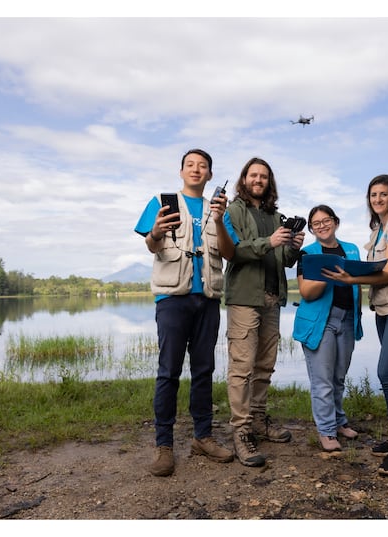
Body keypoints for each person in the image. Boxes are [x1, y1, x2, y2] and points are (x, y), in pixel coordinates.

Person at [134, 148, 236, 477]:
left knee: (204, 370)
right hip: (172, 300)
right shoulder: (161, 203)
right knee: (168, 373)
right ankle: (163, 445)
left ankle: (202, 437)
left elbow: (230, 251)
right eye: (190, 165)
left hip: (206, 299)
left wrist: (220, 220)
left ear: (209, 174)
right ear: (181, 172)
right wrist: (157, 233)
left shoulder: (219, 209)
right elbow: (151, 245)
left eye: (202, 166)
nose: (196, 170)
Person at [321, 174, 388, 476]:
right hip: (386, 309)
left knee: (387, 373)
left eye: (382, 194)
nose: (377, 199)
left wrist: (352, 279)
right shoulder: (379, 230)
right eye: (372, 195)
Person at [222, 157, 305, 467]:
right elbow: (233, 251)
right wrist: (268, 242)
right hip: (244, 297)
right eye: (253, 175)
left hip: (272, 298)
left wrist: (293, 244)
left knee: (265, 365)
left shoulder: (277, 215)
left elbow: (284, 259)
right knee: (242, 367)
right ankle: (241, 431)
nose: (258, 180)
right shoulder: (233, 212)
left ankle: (258, 420)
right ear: (244, 179)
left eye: (264, 176)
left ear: (269, 182)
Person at [293, 205, 363, 452]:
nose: (322, 225)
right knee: (322, 381)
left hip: (347, 318)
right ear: (311, 228)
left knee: (338, 378)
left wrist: (359, 315)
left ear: (335, 222)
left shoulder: (352, 249)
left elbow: (358, 284)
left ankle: (339, 421)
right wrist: (329, 275)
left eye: (326, 220)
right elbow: (306, 293)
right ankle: (326, 431)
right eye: (316, 223)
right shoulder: (307, 254)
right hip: (320, 322)